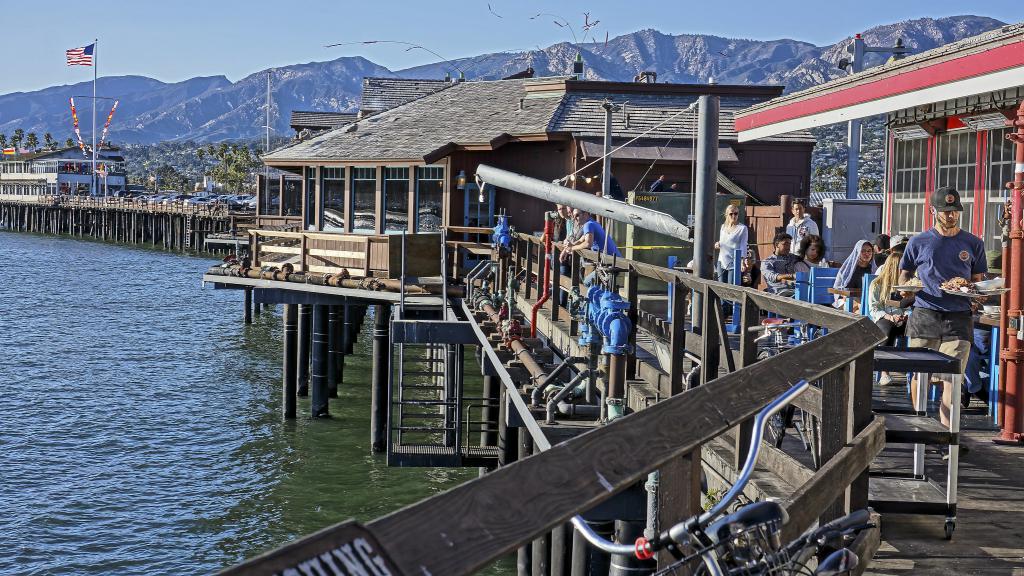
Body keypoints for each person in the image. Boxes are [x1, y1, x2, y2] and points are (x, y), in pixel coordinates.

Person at [899, 186, 987, 427]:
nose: (951, 216)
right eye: (946, 211)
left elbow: (979, 282)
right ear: (933, 211)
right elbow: (904, 276)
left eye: (955, 211)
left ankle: (947, 436)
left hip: (959, 317)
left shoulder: (973, 243)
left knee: (953, 377)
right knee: (921, 373)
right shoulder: (918, 242)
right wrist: (906, 287)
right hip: (924, 313)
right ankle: (920, 427)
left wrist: (979, 295)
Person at [867, 240, 910, 385]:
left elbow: (910, 305)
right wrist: (890, 317)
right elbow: (874, 308)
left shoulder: (906, 285)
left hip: (903, 318)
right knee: (887, 329)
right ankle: (884, 371)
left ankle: (914, 368)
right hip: (885, 317)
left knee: (918, 326)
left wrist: (905, 315)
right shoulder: (877, 284)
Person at [832, 239, 876, 312]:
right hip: (846, 300)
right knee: (862, 309)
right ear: (857, 252)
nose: (866, 253)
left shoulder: (873, 269)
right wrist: (844, 295)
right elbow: (838, 287)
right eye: (863, 251)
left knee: (861, 310)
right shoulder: (847, 269)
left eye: (869, 251)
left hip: (866, 301)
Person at [715, 204, 748, 284]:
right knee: (721, 288)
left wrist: (742, 262)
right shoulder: (723, 227)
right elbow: (722, 241)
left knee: (731, 289)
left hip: (734, 263)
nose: (734, 216)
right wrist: (718, 244)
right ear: (727, 215)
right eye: (731, 214)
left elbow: (743, 246)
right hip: (721, 261)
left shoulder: (742, 228)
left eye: (736, 213)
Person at [761, 232, 799, 297]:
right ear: (777, 245)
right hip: (779, 295)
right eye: (785, 244)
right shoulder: (767, 262)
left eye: (789, 244)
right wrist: (792, 276)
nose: (788, 247)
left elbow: (807, 259)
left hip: (795, 291)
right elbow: (772, 277)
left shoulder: (792, 257)